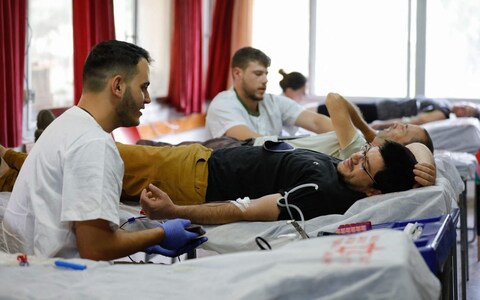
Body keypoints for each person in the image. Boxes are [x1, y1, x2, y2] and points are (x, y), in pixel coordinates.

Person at [1, 40, 206, 260]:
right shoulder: (94, 144)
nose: (147, 99)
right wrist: (159, 235)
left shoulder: (65, 124)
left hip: (34, 267)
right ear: (117, 86)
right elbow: (96, 248)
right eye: (143, 87)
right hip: (60, 280)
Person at [134, 140, 422, 225]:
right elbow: (420, 147)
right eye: (364, 152)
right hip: (199, 156)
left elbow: (242, 210)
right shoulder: (345, 173)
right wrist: (425, 166)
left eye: (365, 165)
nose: (356, 157)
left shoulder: (320, 193)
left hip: (192, 175)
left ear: (374, 191)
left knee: (93, 153)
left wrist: (173, 212)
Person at [205, 47, 333, 140]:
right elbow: (250, 141)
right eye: (258, 74)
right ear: (237, 73)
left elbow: (316, 121)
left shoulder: (273, 101)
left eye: (266, 74)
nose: (265, 80)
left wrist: (351, 136)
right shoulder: (222, 104)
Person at [317, 97, 451, 128]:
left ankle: (314, 113)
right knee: (341, 107)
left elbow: (416, 121)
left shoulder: (443, 112)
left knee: (340, 109)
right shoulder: (445, 104)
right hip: (383, 107)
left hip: (382, 113)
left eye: (468, 111)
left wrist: (380, 124)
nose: (464, 109)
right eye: (466, 107)